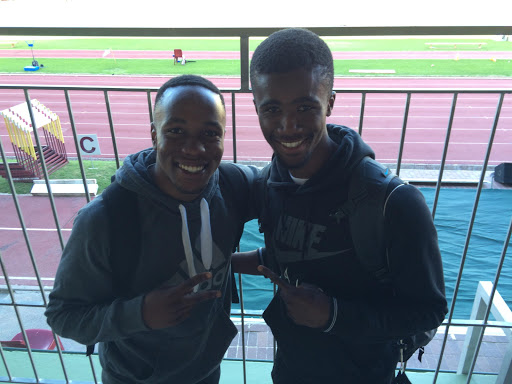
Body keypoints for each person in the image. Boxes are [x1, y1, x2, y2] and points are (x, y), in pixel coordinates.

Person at [232, 28, 448, 383]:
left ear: (330, 102)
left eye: (305, 106)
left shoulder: (393, 202)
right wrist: (217, 267)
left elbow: (428, 311)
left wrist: (333, 315)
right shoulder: (271, 183)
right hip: (290, 369)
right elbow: (288, 255)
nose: (288, 126)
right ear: (256, 107)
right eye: (272, 108)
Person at [45, 75, 258, 384]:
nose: (194, 148)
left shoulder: (232, 184)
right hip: (135, 379)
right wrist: (141, 313)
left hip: (207, 370)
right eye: (176, 131)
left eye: (210, 133)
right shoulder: (106, 218)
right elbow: (63, 316)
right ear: (154, 135)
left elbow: (287, 187)